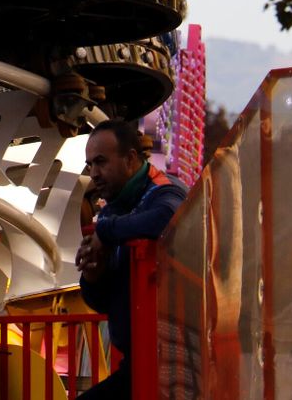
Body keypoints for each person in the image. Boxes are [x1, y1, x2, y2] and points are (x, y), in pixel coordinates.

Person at [74, 119, 187, 398]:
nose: (95, 173)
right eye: (90, 165)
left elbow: (168, 219)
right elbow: (103, 302)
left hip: (177, 365)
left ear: (131, 159)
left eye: (101, 162)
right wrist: (93, 276)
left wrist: (106, 232)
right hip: (140, 362)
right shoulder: (114, 210)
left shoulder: (165, 190)